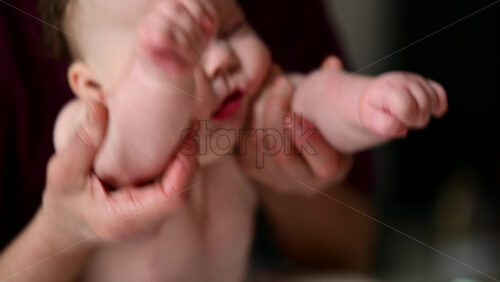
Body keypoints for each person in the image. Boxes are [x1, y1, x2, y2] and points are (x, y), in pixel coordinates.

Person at [0, 0, 446, 281]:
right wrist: (161, 79)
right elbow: (136, 146)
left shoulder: (242, 111)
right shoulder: (90, 128)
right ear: (91, 85)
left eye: (231, 31)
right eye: (183, 49)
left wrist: (363, 103)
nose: (220, 60)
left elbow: (309, 99)